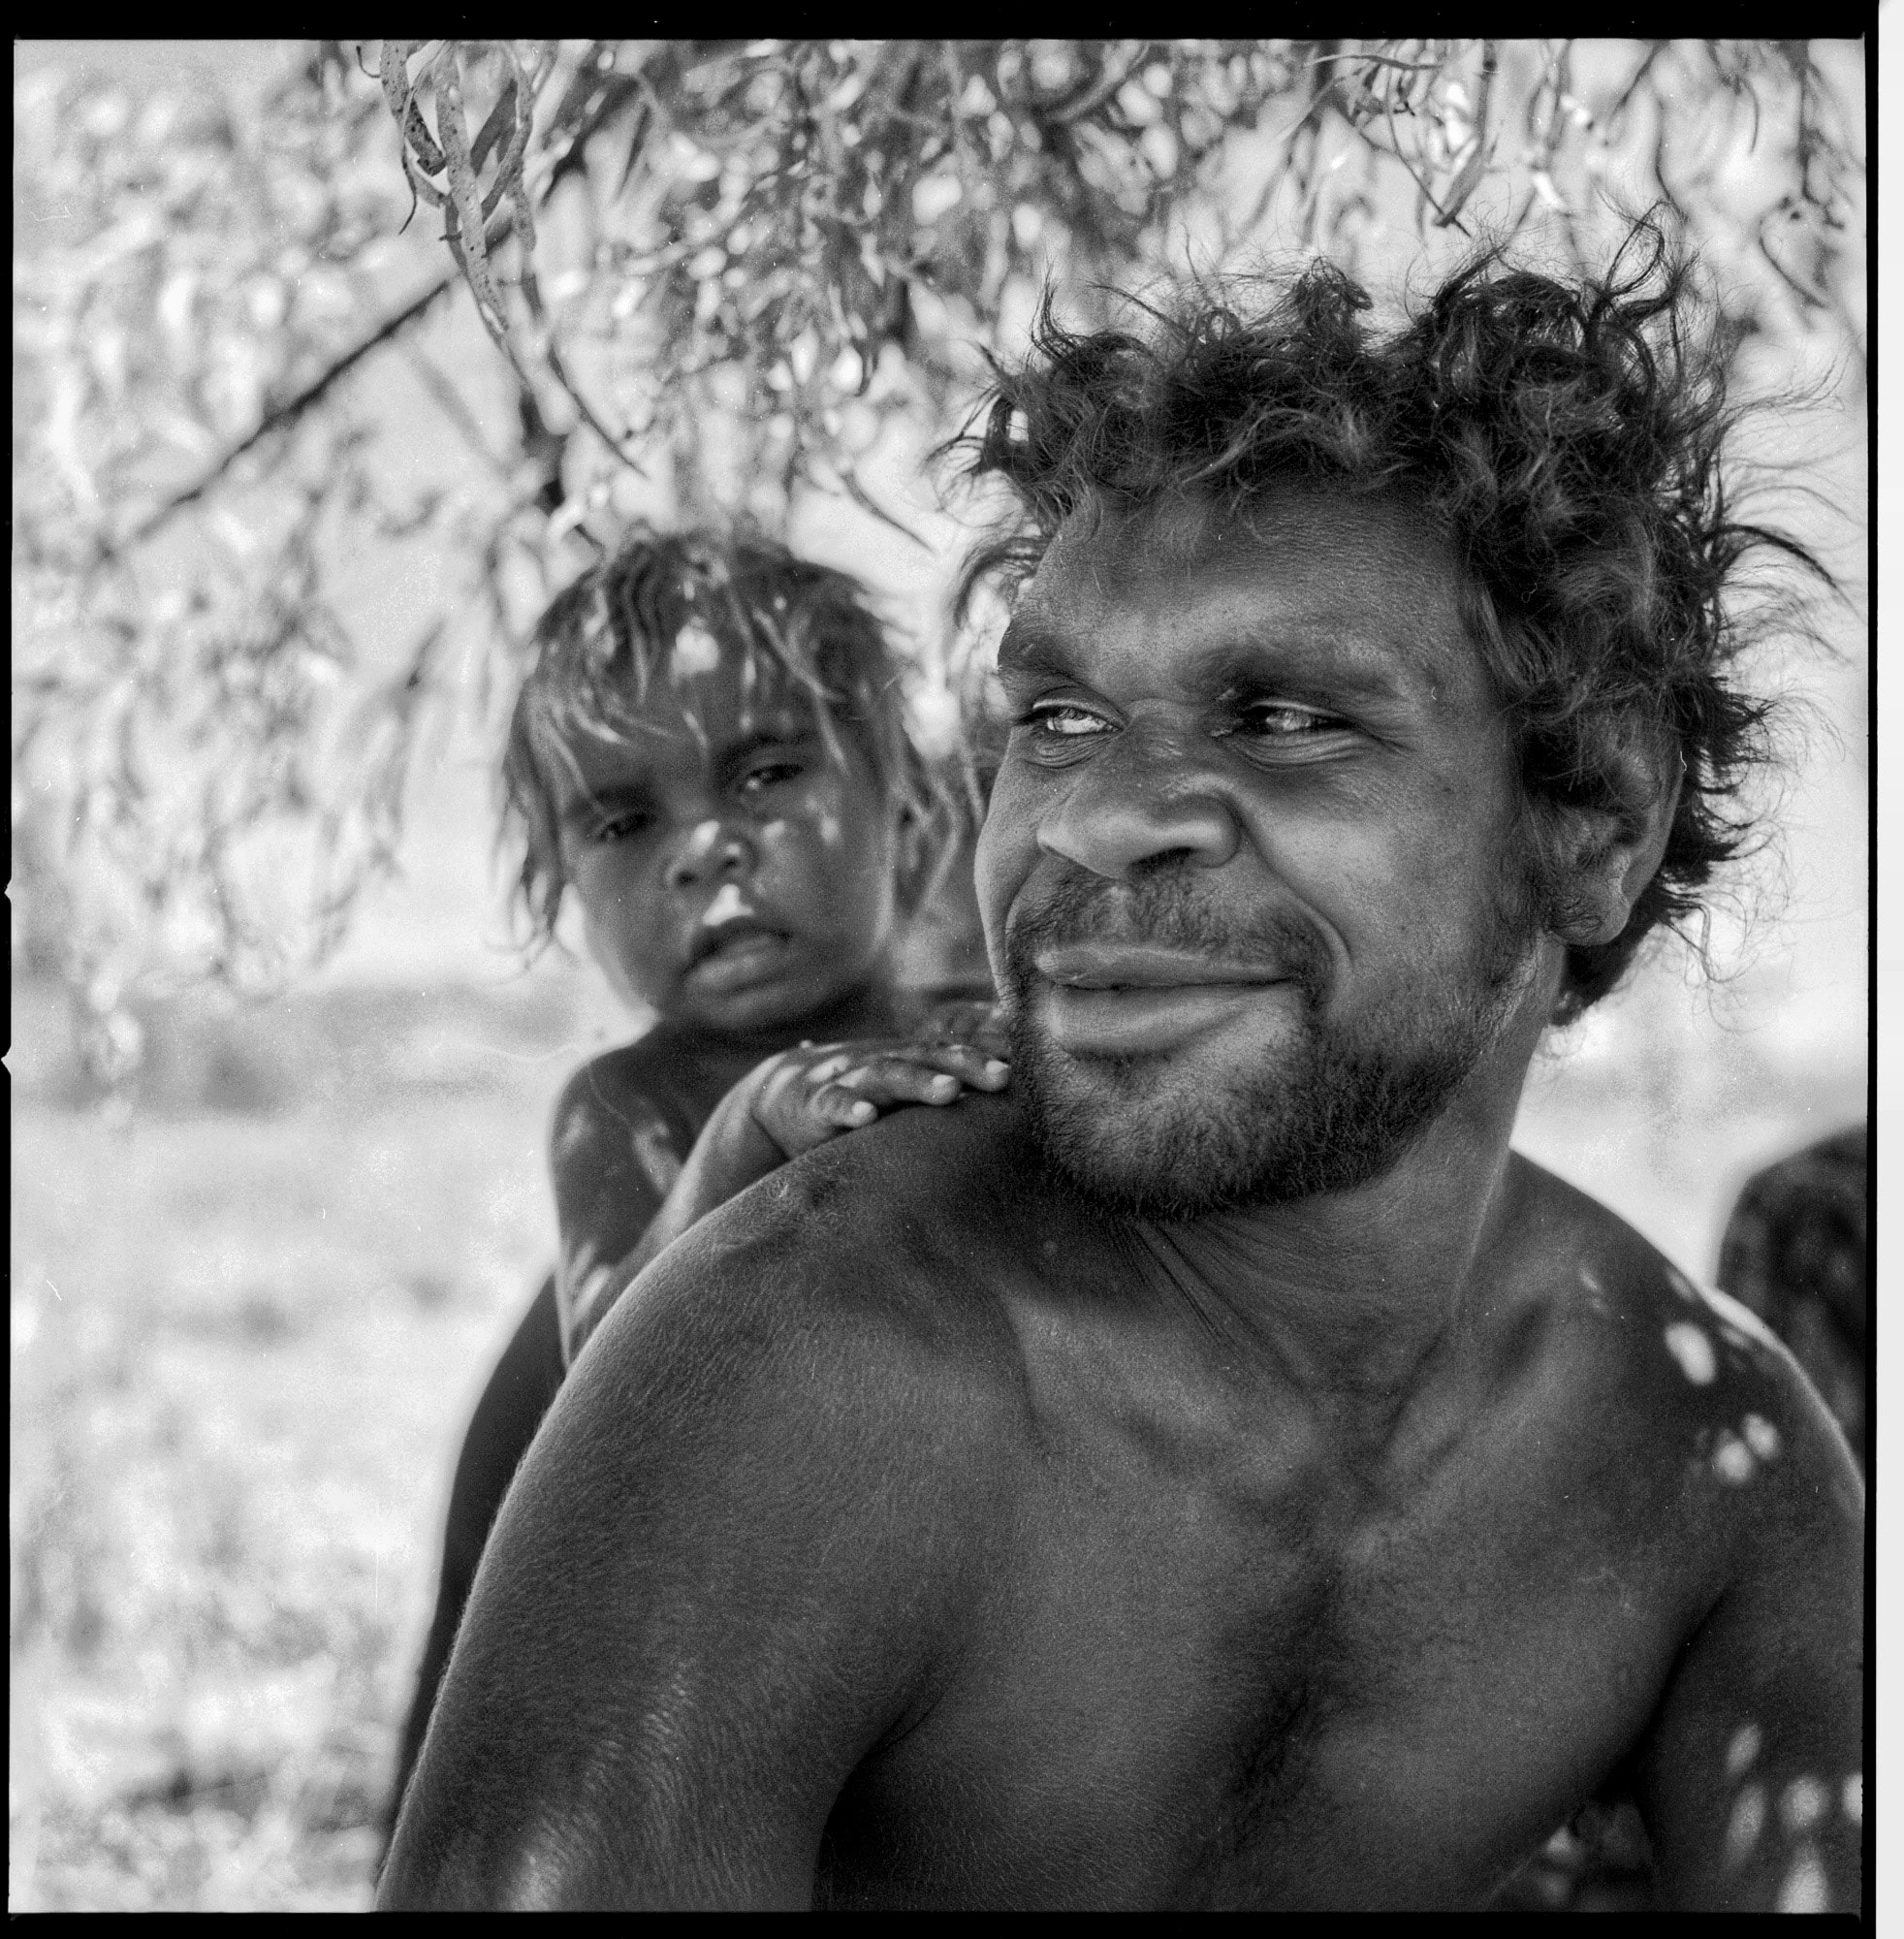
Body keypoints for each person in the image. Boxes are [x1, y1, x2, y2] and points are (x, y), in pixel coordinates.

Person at [380, 230, 1864, 1913]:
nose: (1091, 815)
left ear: (1596, 823)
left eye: (1286, 718)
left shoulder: (1703, 1469)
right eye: (1060, 721)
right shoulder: (821, 1361)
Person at [381, 528, 1005, 1855]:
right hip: (665, 1665)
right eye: (623, 819)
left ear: (911, 807)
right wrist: (736, 1149)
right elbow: (611, 1376)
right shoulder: (632, 1109)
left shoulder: (975, 1046)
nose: (705, 847)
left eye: (768, 772)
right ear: (565, 889)